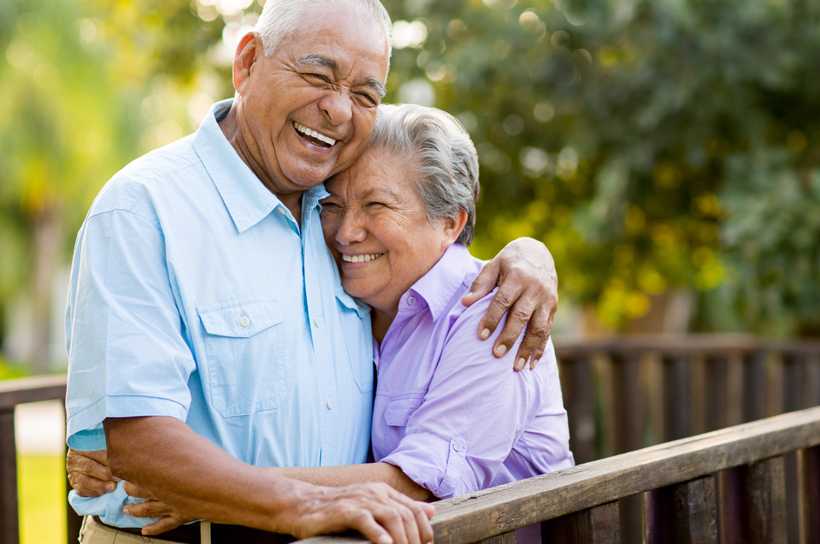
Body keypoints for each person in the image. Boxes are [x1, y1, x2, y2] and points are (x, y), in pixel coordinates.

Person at [63, 0, 558, 542]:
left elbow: (421, 472)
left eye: (366, 95)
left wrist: (532, 254)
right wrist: (283, 503)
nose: (341, 111)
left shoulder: (334, 218)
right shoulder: (143, 208)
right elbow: (137, 444)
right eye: (317, 74)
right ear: (247, 62)